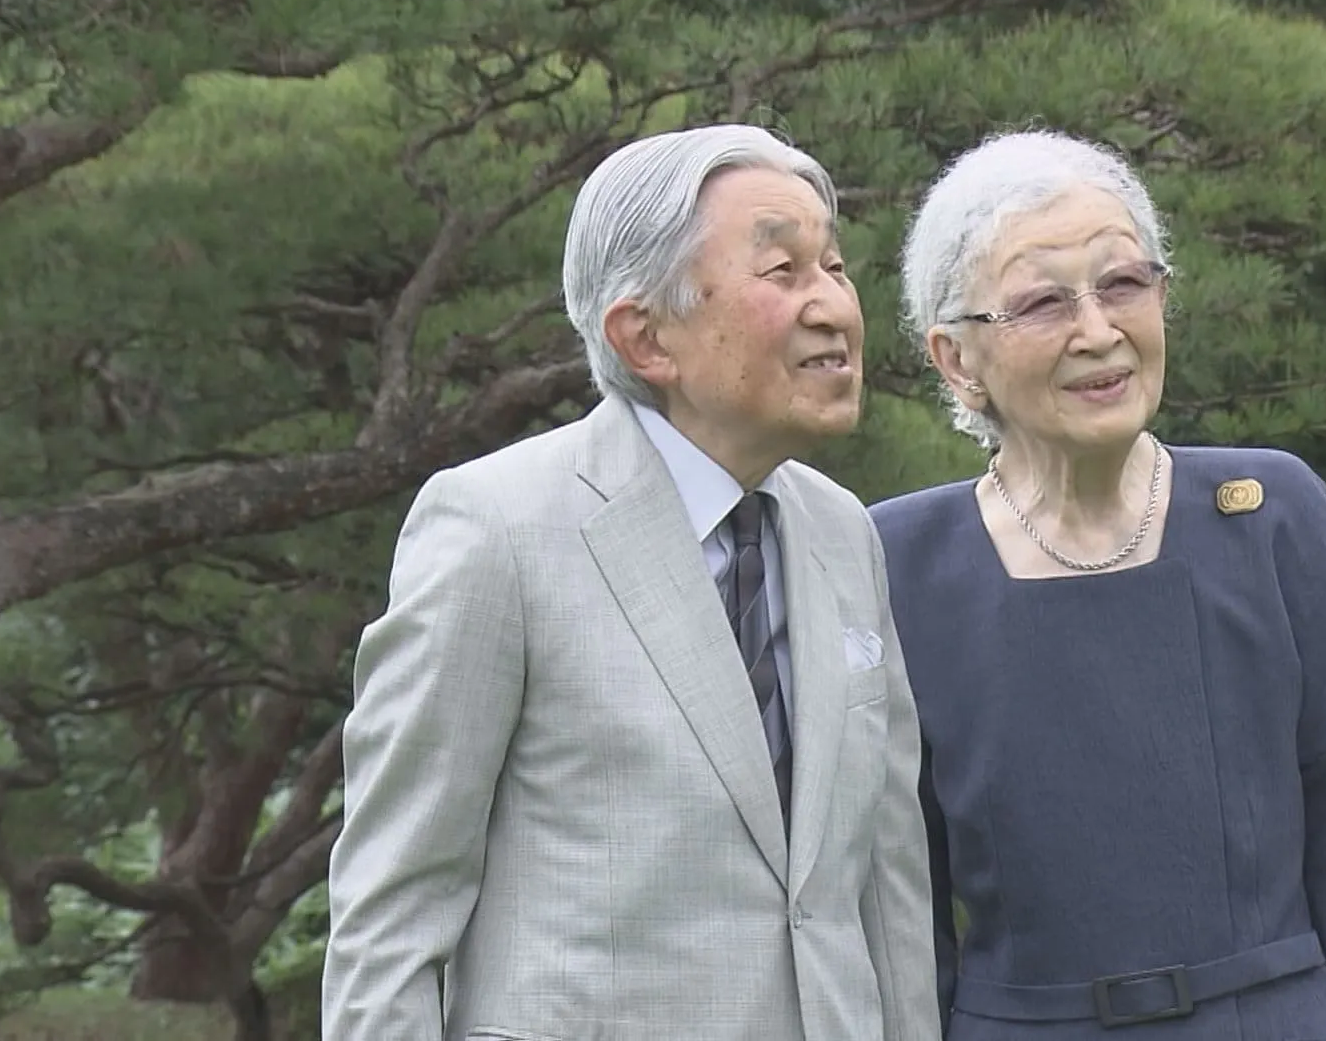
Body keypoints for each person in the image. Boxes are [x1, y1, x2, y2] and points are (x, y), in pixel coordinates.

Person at [322, 124, 939, 1041]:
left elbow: (888, 895)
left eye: (836, 267)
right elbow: (391, 917)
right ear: (644, 337)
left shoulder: (843, 532)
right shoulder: (497, 528)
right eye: (783, 272)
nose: (834, 308)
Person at [869, 129, 1326, 1041]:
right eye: (1041, 302)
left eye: (1122, 284)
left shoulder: (1275, 514)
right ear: (957, 360)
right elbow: (897, 913)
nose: (1098, 331)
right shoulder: (896, 560)